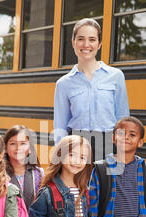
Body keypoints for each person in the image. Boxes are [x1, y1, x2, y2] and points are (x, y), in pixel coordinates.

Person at [53, 17, 130, 161]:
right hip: (76, 146)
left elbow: (123, 119)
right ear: (73, 42)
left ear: (99, 44)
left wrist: (122, 152)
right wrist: (61, 158)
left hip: (108, 145)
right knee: (79, 184)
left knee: (108, 184)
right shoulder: (63, 84)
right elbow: (60, 126)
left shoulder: (116, 76)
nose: (86, 44)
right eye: (81, 39)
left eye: (92, 39)